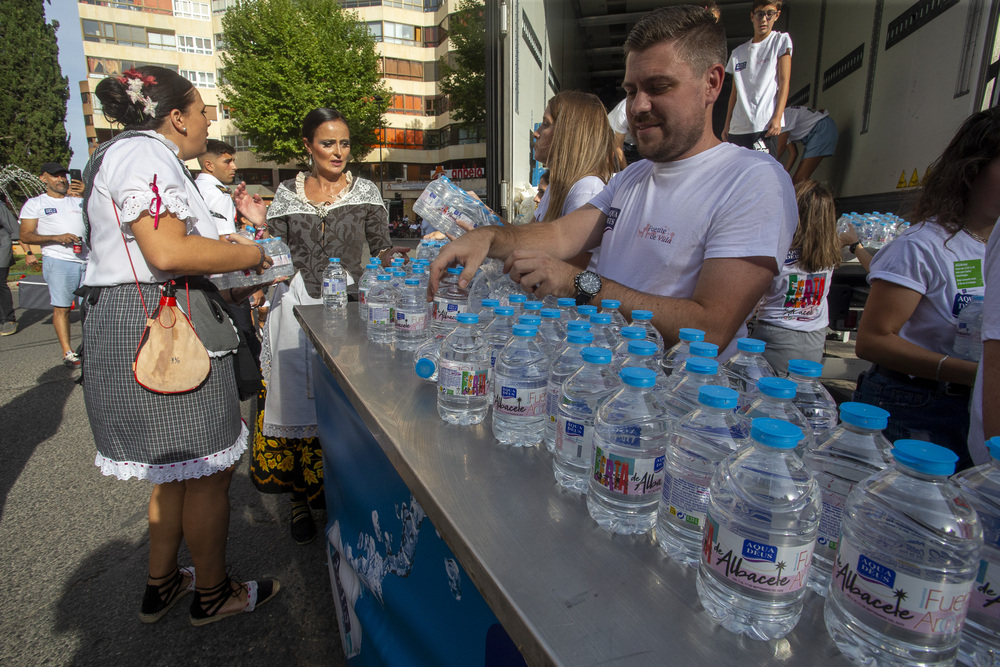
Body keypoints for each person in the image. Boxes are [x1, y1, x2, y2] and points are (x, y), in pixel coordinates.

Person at [430, 5, 797, 362]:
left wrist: (577, 283)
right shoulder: (632, 178)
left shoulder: (753, 180)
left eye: (658, 87)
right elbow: (559, 236)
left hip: (681, 406)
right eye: (632, 90)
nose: (637, 106)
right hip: (606, 391)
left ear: (712, 83)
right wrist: (489, 236)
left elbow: (711, 328)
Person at [81, 66, 279, 625]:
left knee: (174, 470)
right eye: (201, 110)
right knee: (205, 471)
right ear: (175, 116)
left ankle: (162, 583)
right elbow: (167, 252)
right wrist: (249, 254)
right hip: (164, 325)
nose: (207, 119)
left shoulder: (127, 154)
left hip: (144, 321)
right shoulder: (145, 156)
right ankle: (214, 594)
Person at [236, 107, 408, 545]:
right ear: (309, 145)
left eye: (345, 143)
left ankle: (339, 490)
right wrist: (258, 231)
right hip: (292, 303)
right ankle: (297, 497)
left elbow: (382, 247)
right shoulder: (287, 194)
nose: (338, 152)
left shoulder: (366, 190)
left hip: (345, 305)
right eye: (328, 143)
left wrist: (403, 263)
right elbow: (273, 251)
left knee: (342, 400)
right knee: (292, 398)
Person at [854, 108, 1000, 470]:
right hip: (915, 401)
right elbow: (872, 339)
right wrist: (972, 373)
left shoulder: (991, 246)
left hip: (970, 403)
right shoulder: (924, 245)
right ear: (974, 168)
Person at [750, 180, 840, 370]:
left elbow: (752, 299)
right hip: (815, 336)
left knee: (769, 394)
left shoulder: (777, 249)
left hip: (775, 332)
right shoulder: (830, 253)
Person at [532, 91, 620, 270]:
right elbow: (519, 241)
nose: (536, 133)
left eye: (546, 124)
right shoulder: (554, 187)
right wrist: (480, 214)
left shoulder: (587, 188)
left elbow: (567, 275)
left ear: (569, 135)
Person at [18, 162, 88, 366]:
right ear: (43, 178)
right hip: (59, 261)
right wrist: (57, 237)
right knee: (63, 307)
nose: (61, 179)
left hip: (87, 259)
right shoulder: (35, 203)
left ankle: (91, 346)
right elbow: (26, 235)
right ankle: (68, 352)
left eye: (63, 176)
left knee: (91, 308)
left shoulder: (78, 201)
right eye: (55, 176)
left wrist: (87, 195)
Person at [722, 0, 792, 154]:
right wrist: (727, 125)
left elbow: (784, 81)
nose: (764, 19)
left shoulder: (780, 41)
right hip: (737, 127)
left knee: (763, 173)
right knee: (738, 174)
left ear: (777, 15)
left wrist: (777, 117)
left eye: (769, 14)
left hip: (763, 125)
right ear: (752, 16)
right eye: (760, 14)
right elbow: (734, 93)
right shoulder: (738, 53)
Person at [774, 106, 839, 184]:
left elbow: (780, 148)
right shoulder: (782, 127)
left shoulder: (781, 118)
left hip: (821, 130)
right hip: (820, 129)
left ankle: (814, 195)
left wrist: (765, 166)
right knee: (798, 181)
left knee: (799, 181)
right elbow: (793, 153)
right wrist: (784, 173)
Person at [195, 139, 239, 237]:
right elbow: (225, 239)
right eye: (227, 162)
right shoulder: (219, 194)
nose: (234, 167)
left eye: (233, 161)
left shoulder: (193, 186)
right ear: (209, 165)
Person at [0, 198, 18, 335]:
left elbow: (13, 228)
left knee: (0, 283)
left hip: (1, 248)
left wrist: (27, 250)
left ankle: (8, 319)